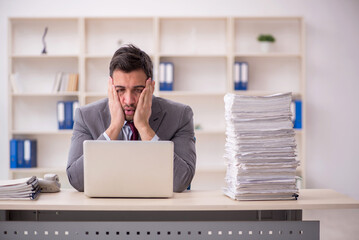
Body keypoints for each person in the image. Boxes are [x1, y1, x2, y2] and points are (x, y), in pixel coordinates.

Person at [66, 44, 196, 192]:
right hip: (106, 208)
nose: (129, 100)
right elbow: (76, 180)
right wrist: (114, 127)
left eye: (138, 90)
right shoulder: (86, 117)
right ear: (110, 88)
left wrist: (144, 127)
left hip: (159, 209)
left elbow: (180, 182)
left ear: (151, 87)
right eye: (120, 90)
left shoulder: (180, 115)